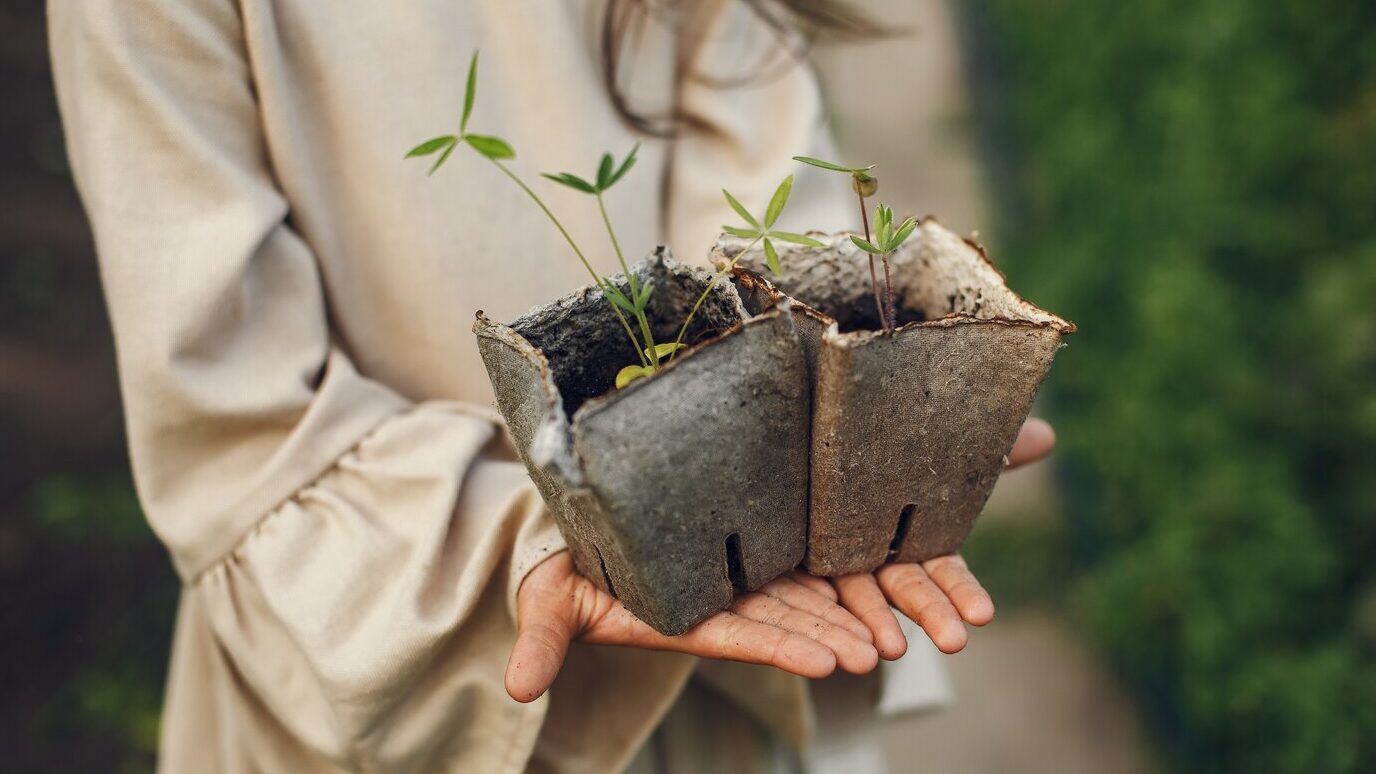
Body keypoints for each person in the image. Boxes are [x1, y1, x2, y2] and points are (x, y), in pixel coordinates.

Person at [50, 0, 1056, 771]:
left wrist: (837, 408)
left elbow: (766, 216)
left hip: (718, 657)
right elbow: (238, 422)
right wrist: (540, 543)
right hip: (409, 650)